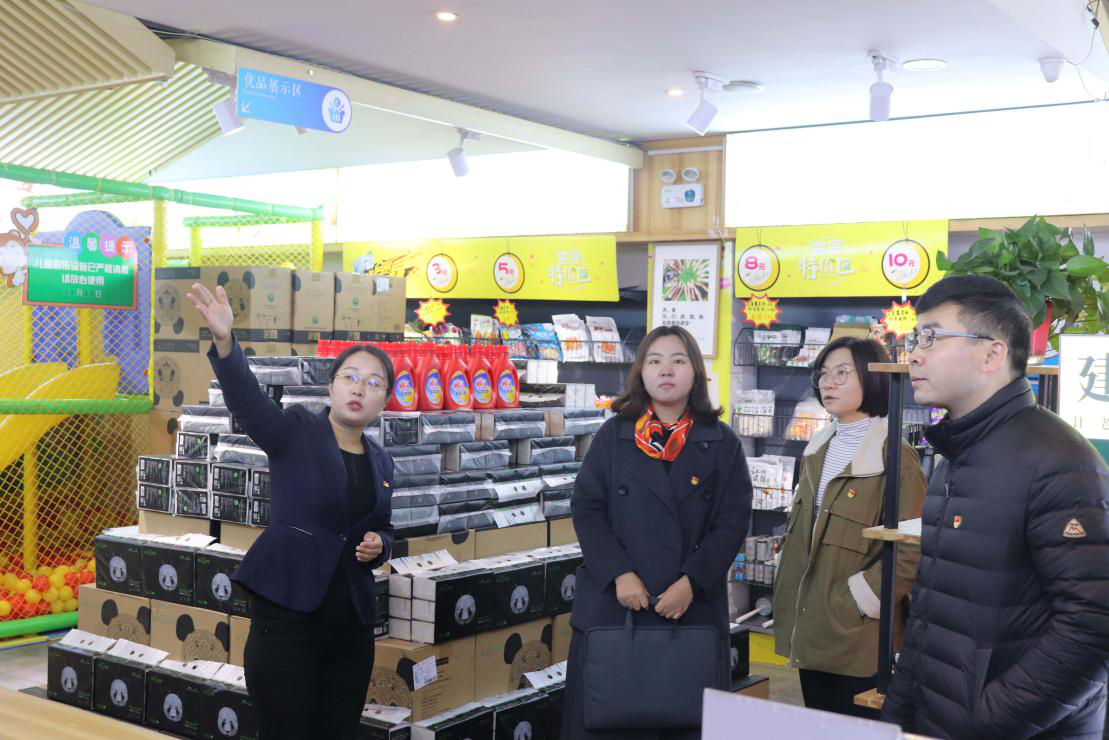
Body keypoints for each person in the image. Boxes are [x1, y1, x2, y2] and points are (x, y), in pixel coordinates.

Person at [881, 275, 1109, 739]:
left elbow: (1094, 625)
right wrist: (899, 715)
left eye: (932, 338)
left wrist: (986, 720)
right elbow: (930, 612)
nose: (915, 354)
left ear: (992, 354)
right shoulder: (955, 455)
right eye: (915, 339)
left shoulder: (1059, 460)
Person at [187, 282, 395, 740]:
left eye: (373, 383)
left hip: (351, 630)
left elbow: (385, 528)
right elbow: (250, 404)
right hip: (287, 621)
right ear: (331, 386)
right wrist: (226, 342)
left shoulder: (382, 461)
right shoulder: (297, 431)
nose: (359, 388)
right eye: (350, 377)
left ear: (385, 401)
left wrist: (380, 545)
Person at [562, 325, 753, 740]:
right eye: (655, 361)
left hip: (689, 610)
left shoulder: (722, 442)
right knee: (606, 720)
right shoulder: (613, 436)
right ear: (641, 372)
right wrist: (618, 572)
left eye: (678, 360)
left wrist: (693, 582)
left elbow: (733, 520)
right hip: (615, 608)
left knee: (684, 722)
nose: (666, 370)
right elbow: (587, 508)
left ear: (695, 372)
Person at [773, 337, 927, 718]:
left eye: (842, 373)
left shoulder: (896, 458)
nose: (828, 383)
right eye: (823, 374)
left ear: (872, 378)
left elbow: (913, 547)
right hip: (811, 628)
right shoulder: (817, 450)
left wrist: (859, 600)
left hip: (858, 636)